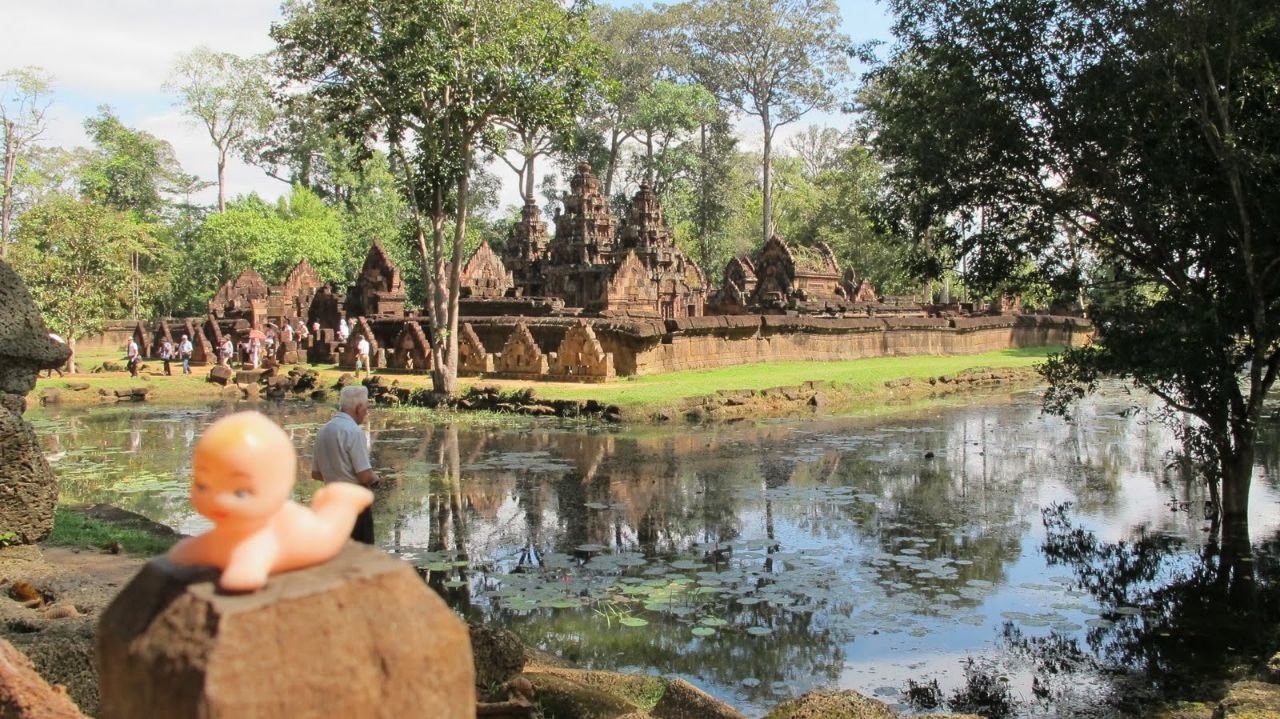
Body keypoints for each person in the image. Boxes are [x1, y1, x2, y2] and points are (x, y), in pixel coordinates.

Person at [311, 385, 380, 545]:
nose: (366, 413)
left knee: (337, 558)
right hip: (354, 506)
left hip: (331, 504)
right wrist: (376, 478)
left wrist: (337, 473)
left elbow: (316, 474)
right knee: (361, 559)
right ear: (358, 408)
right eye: (366, 408)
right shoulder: (353, 432)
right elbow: (364, 475)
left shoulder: (323, 430)